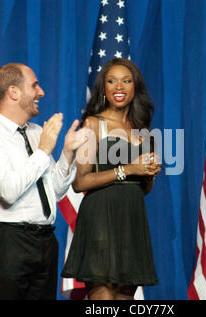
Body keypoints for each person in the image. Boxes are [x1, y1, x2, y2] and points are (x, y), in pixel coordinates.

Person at [0, 63, 89, 300]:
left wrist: (67, 153)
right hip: (10, 243)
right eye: (34, 85)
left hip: (45, 242)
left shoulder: (36, 132)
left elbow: (54, 192)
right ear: (13, 92)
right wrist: (44, 150)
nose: (41, 92)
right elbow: (9, 191)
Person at [61, 58, 161, 300]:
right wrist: (128, 169)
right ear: (103, 88)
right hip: (100, 221)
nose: (119, 87)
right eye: (112, 81)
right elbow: (80, 182)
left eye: (126, 81)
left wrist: (149, 173)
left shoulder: (143, 130)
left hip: (132, 220)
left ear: (135, 87)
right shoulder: (93, 124)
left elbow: (143, 188)